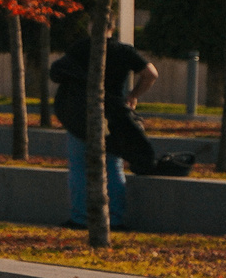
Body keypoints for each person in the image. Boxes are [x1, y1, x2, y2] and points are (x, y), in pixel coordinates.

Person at [50, 30, 158, 228]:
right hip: (112, 113)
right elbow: (151, 73)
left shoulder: (81, 47)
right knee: (113, 166)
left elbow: (58, 71)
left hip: (80, 113)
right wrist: (134, 95)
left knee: (79, 167)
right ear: (113, 26)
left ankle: (80, 217)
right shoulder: (123, 51)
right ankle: (114, 218)